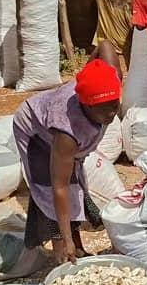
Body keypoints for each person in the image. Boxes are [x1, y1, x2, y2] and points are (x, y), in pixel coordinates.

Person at [13, 42, 122, 264]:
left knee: (76, 181)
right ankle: (61, 248)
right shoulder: (66, 131)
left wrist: (89, 74)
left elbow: (104, 45)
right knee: (46, 186)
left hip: (63, 116)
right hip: (34, 128)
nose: (112, 112)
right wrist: (65, 237)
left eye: (115, 104)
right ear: (87, 105)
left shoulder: (109, 78)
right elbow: (59, 187)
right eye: (105, 108)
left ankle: (75, 243)